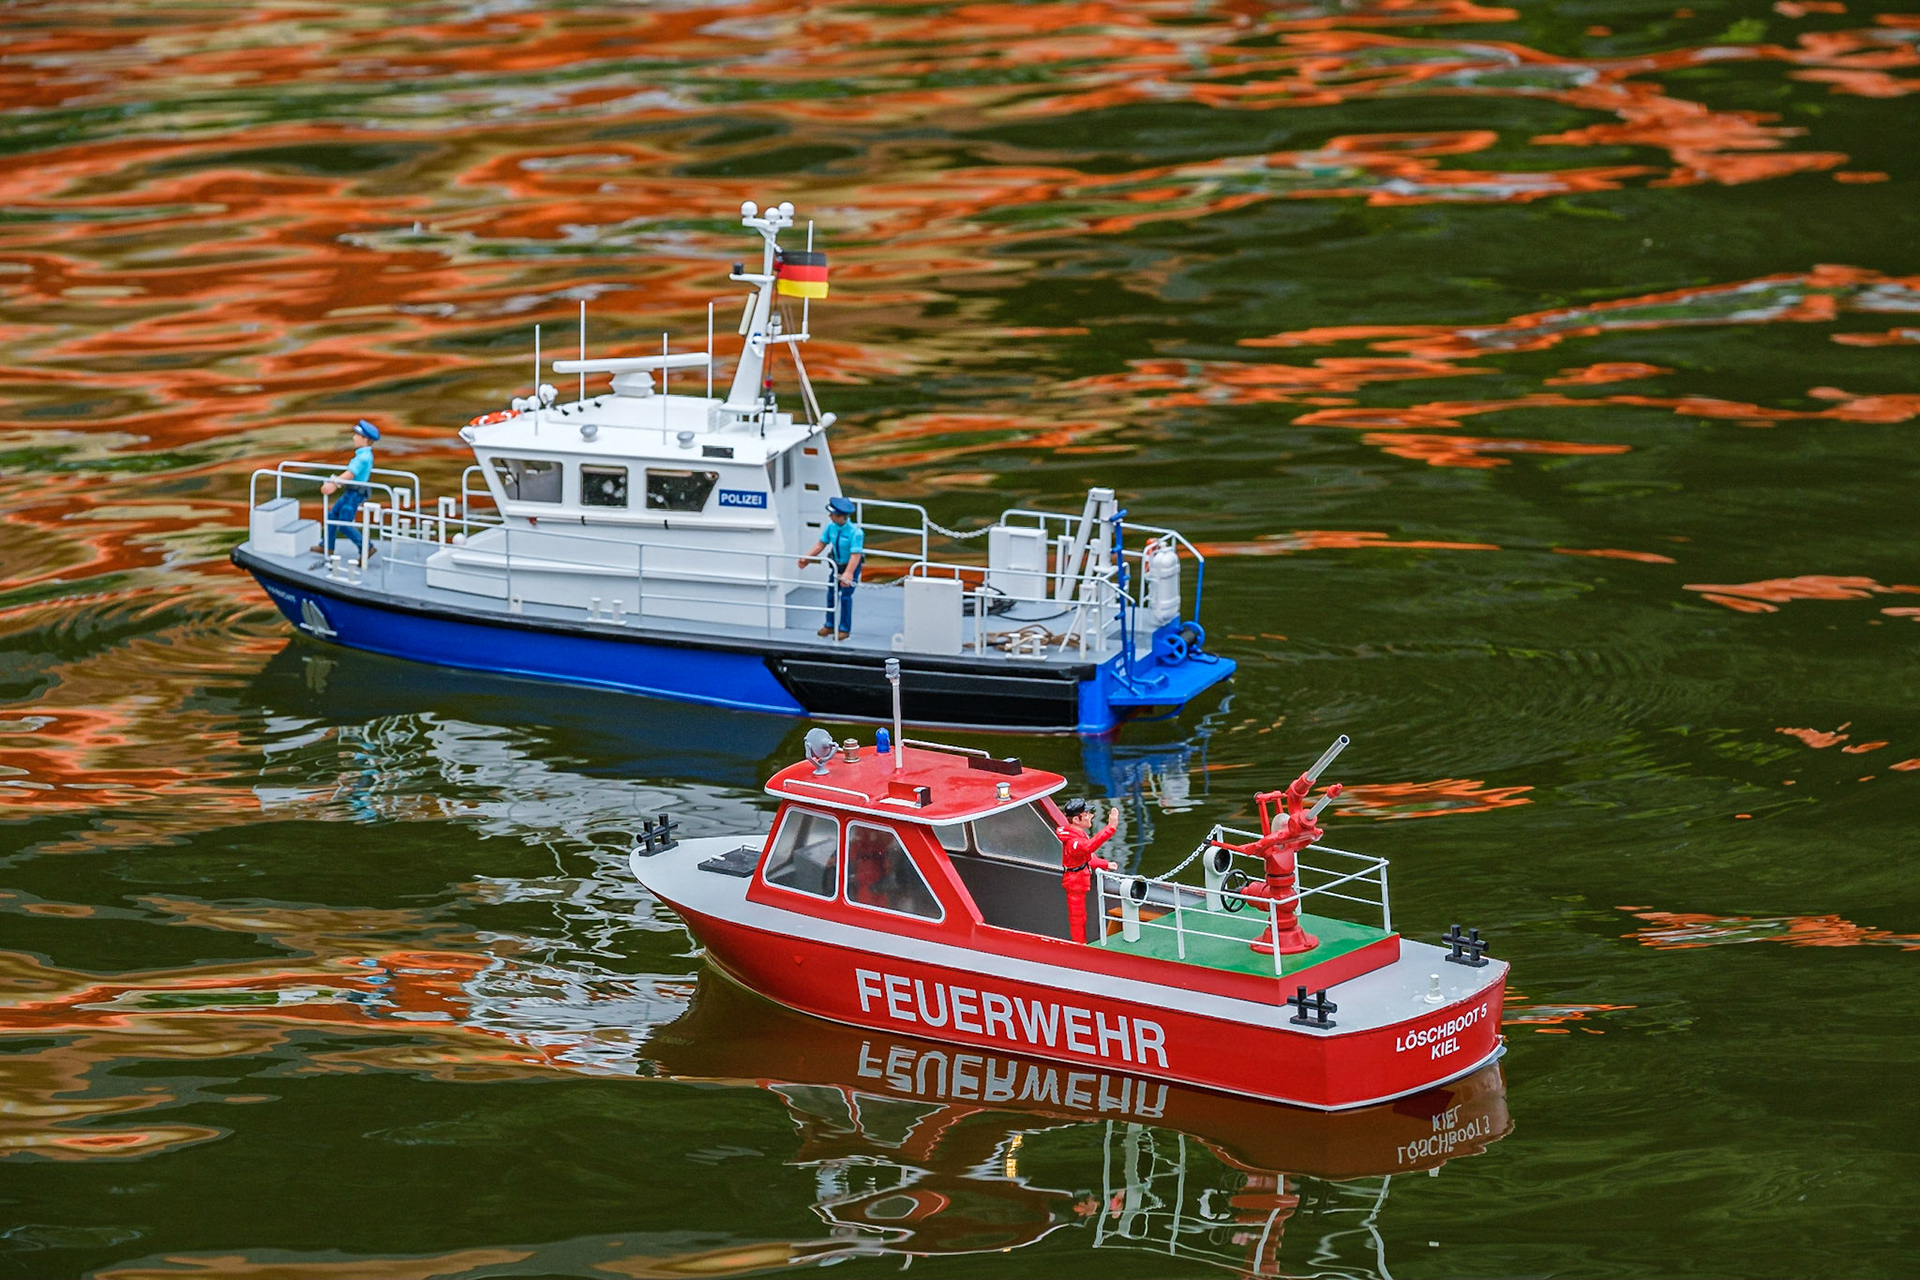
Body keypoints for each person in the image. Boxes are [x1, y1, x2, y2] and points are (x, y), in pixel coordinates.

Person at [799, 495, 864, 640]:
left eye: (832, 514)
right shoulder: (831, 527)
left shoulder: (856, 533)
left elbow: (855, 555)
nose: (830, 516)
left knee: (845, 597)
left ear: (841, 516)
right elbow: (821, 544)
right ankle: (829, 625)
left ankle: (844, 629)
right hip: (836, 566)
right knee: (831, 595)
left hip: (850, 566)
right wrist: (807, 557)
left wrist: (849, 573)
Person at [1056, 797, 1119, 943]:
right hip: (1075, 881)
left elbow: (1085, 858)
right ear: (1076, 819)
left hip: (1079, 878)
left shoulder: (1077, 835)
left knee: (1081, 916)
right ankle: (1079, 944)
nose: (1091, 816)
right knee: (1077, 917)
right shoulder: (1074, 841)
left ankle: (1080, 942)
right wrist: (1110, 827)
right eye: (1087, 814)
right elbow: (1088, 848)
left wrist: (1104, 864)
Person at [313, 419, 380, 557]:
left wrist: (334, 484)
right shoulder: (363, 454)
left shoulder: (362, 458)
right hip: (351, 492)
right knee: (332, 515)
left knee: (344, 524)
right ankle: (327, 546)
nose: (354, 438)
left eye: (357, 435)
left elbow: (350, 474)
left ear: (365, 439)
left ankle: (366, 547)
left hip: (354, 494)